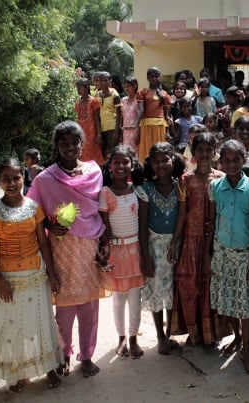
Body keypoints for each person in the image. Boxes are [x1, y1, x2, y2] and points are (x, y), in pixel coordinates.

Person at [0, 159, 62, 392]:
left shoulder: (33, 207)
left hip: (35, 275)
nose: (11, 183)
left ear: (23, 178)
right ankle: (20, 373)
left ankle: (49, 368)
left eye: (16, 178)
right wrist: (0, 279)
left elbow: (43, 242)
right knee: (14, 326)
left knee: (41, 322)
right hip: (8, 278)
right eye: (5, 179)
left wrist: (52, 275)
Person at [28, 120, 110, 378]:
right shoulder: (45, 179)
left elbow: (100, 209)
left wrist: (105, 242)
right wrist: (52, 224)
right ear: (56, 146)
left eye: (75, 142)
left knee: (89, 307)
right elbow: (34, 214)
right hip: (61, 249)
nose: (70, 147)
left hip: (88, 248)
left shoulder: (94, 172)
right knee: (64, 309)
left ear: (82, 144)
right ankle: (63, 353)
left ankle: (86, 356)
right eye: (63, 143)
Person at [169, 132, 231, 347]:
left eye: (208, 150)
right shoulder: (186, 180)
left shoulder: (222, 179)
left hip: (216, 241)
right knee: (189, 284)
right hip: (190, 240)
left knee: (212, 286)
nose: (204, 154)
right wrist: (175, 241)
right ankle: (194, 333)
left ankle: (213, 333)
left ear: (214, 152)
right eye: (200, 150)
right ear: (193, 153)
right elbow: (183, 213)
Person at [208, 139, 249, 374]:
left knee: (246, 304)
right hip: (221, 252)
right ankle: (238, 337)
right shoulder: (215, 187)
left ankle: (247, 353)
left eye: (236, 160)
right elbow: (212, 222)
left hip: (244, 254)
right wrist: (209, 254)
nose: (231, 164)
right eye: (226, 160)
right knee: (227, 297)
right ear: (220, 161)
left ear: (244, 159)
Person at [136, 142, 185, 355]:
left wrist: (175, 242)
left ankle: (170, 333)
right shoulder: (146, 190)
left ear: (173, 160)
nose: (161, 164)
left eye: (165, 159)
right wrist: (146, 257)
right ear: (151, 164)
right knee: (156, 290)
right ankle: (160, 336)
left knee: (172, 291)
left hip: (175, 246)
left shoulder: (181, 186)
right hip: (154, 247)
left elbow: (183, 216)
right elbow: (143, 224)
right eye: (156, 161)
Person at [99, 145, 145, 359]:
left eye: (124, 162)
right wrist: (105, 249)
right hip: (116, 251)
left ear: (132, 165)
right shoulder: (105, 193)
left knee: (135, 297)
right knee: (118, 299)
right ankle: (121, 338)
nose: (120, 166)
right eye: (116, 162)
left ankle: (134, 337)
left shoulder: (137, 190)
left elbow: (142, 223)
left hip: (135, 250)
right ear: (109, 166)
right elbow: (105, 226)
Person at [134, 67, 172, 161]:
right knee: (146, 151)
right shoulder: (143, 92)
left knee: (160, 151)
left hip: (160, 126)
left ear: (160, 77)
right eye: (152, 77)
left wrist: (167, 131)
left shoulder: (164, 95)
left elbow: (166, 116)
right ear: (148, 78)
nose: (154, 78)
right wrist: (135, 125)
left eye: (156, 76)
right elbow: (140, 110)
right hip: (146, 126)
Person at [75, 78, 104, 166]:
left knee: (93, 155)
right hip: (81, 133)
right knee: (82, 153)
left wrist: (99, 134)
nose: (78, 90)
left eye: (80, 88)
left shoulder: (93, 101)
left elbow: (97, 119)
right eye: (77, 88)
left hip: (92, 134)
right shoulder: (77, 102)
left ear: (87, 88)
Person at [96, 71, 122, 160]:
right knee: (103, 152)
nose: (103, 83)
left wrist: (116, 131)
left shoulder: (114, 94)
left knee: (113, 152)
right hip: (102, 127)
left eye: (105, 80)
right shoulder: (97, 94)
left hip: (112, 127)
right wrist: (98, 132)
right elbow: (97, 113)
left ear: (110, 81)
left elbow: (119, 113)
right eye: (101, 81)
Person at [121, 76, 141, 156]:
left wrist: (139, 134)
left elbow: (141, 118)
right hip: (125, 132)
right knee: (127, 153)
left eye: (128, 86)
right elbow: (122, 117)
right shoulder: (123, 100)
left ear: (135, 86)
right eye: (125, 87)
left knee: (136, 153)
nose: (126, 89)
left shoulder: (139, 100)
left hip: (135, 131)